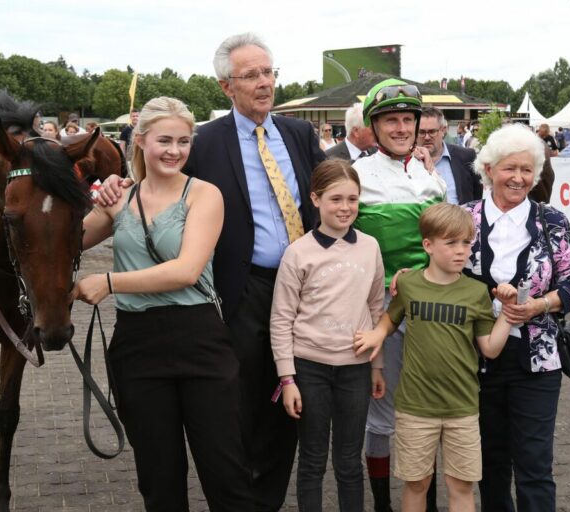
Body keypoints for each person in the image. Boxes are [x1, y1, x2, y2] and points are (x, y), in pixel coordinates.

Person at [98, 33, 325, 512]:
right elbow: (162, 179)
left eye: (269, 72)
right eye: (251, 75)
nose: (264, 83)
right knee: (238, 407)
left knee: (288, 401)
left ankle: (265, 501)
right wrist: (118, 186)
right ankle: (240, 492)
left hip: (302, 291)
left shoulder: (300, 135)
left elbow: (331, 196)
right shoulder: (204, 142)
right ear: (226, 86)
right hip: (241, 291)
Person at [73, 96, 253, 512]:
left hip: (199, 338)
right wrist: (84, 193)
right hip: (137, 344)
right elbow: (63, 245)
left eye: (183, 141)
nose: (175, 151)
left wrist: (109, 282)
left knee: (226, 474)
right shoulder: (120, 199)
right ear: (140, 141)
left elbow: (187, 270)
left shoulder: (204, 195)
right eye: (164, 141)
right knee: (158, 481)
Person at [358, 202, 516, 512]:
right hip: (415, 407)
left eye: (466, 243)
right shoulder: (409, 284)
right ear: (428, 245)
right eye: (451, 243)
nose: (461, 251)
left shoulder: (476, 292)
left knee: (461, 485)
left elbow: (490, 348)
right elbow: (391, 318)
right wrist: (377, 334)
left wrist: (508, 314)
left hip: (462, 407)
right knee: (417, 484)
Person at [463, 123, 570, 511]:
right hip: (476, 358)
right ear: (489, 170)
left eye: (527, 169)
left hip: (537, 359)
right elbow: (441, 273)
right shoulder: (464, 219)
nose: (518, 178)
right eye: (509, 168)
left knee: (534, 464)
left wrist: (538, 305)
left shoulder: (551, 220)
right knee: (490, 461)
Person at [351, 78, 445, 512]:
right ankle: (383, 505)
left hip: (429, 311)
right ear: (374, 126)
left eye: (408, 119)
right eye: (391, 120)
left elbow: (447, 246)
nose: (402, 128)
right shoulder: (356, 177)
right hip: (381, 313)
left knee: (427, 411)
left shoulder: (431, 177)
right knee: (381, 414)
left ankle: (425, 502)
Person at [270, 159, 386, 511]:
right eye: (336, 199)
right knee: (312, 459)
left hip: (355, 368)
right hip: (309, 369)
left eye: (352, 199)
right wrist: (287, 378)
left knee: (350, 461)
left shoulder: (370, 247)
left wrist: (377, 366)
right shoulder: (298, 253)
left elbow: (376, 307)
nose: (345, 207)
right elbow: (281, 318)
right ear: (316, 199)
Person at [417, 107, 482, 205]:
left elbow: (477, 198)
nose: (427, 137)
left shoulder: (466, 157)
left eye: (432, 132)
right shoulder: (408, 160)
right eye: (421, 132)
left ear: (443, 130)